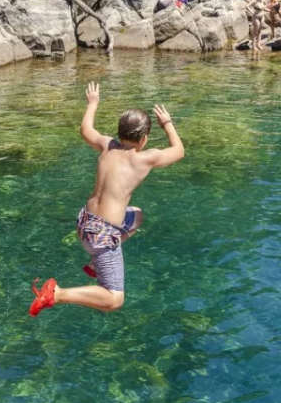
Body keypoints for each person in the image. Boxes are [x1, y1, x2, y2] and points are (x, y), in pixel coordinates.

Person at [28, 83, 185, 316]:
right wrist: (168, 123)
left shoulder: (106, 144)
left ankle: (95, 264)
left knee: (137, 215)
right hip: (101, 235)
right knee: (114, 300)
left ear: (119, 132)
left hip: (84, 222)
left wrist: (93, 103)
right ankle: (58, 294)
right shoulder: (144, 159)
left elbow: (85, 129)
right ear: (143, 139)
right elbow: (179, 150)